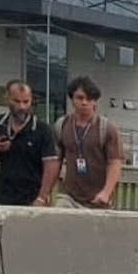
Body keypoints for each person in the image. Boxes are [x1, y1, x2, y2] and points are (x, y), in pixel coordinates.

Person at [0, 79, 59, 207]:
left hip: (32, 199)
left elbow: (51, 165)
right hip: (3, 197)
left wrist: (42, 197)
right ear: (7, 99)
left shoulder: (42, 129)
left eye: (26, 102)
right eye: (16, 101)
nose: (22, 107)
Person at [55, 75, 124, 209]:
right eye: (80, 98)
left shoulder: (107, 129)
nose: (85, 103)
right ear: (72, 100)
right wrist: (45, 192)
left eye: (89, 99)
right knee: (59, 220)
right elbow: (56, 160)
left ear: (95, 102)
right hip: (69, 196)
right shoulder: (62, 125)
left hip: (97, 199)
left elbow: (115, 162)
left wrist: (106, 192)